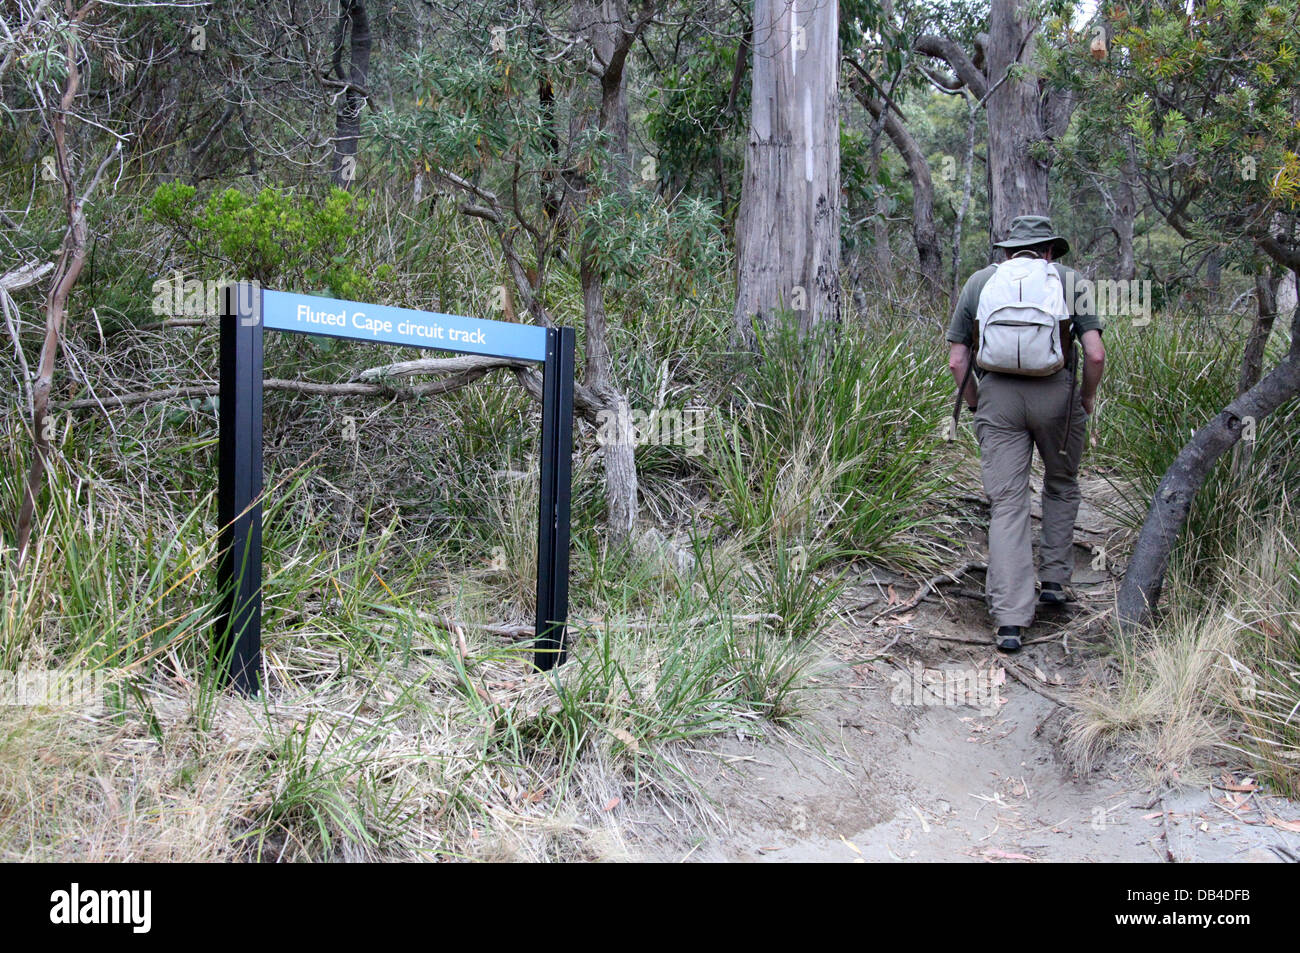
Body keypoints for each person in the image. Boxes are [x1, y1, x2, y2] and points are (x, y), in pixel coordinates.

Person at [946, 215, 1106, 652]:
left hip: (998, 399)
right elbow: (1093, 354)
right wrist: (1086, 399)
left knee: (1008, 505)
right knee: (1060, 484)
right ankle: (1054, 581)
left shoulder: (979, 283)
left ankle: (1011, 621)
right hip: (1058, 396)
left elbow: (958, 362)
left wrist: (979, 403)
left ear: (1007, 251)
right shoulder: (1070, 280)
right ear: (1049, 250)